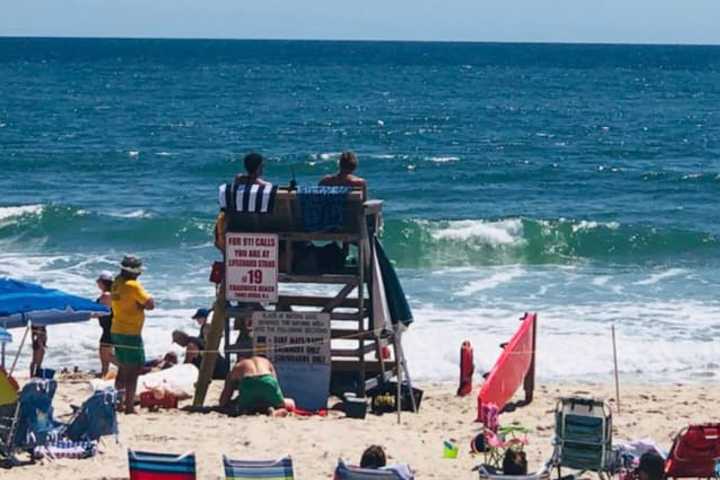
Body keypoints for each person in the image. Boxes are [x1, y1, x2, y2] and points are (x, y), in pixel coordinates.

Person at [111, 255, 155, 414]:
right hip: (130, 332)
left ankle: (118, 403)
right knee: (134, 369)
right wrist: (141, 306)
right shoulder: (133, 286)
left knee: (122, 369)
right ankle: (129, 407)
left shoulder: (117, 283)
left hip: (116, 329)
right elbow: (150, 304)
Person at [215, 152, 270, 251]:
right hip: (257, 228)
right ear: (258, 167)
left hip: (234, 226)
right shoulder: (264, 187)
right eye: (262, 166)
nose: (263, 168)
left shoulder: (235, 185)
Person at [218, 356, 293, 416]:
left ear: (241, 358)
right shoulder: (266, 361)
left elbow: (224, 399)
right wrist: (281, 403)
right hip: (267, 379)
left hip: (248, 382)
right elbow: (275, 385)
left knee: (237, 405)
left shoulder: (238, 366)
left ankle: (248, 409)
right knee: (290, 403)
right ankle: (274, 410)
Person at [95, 270, 115, 378]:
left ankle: (126, 368)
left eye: (98, 280)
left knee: (106, 354)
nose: (97, 282)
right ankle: (105, 372)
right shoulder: (110, 294)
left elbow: (100, 313)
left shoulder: (106, 296)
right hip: (109, 327)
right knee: (104, 352)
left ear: (103, 282)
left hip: (109, 327)